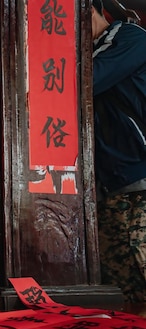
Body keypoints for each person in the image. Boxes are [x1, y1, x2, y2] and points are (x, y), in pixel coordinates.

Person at [92, 0, 146, 302]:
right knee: (122, 288)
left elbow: (86, 77)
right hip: (112, 185)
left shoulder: (129, 38)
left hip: (140, 180)